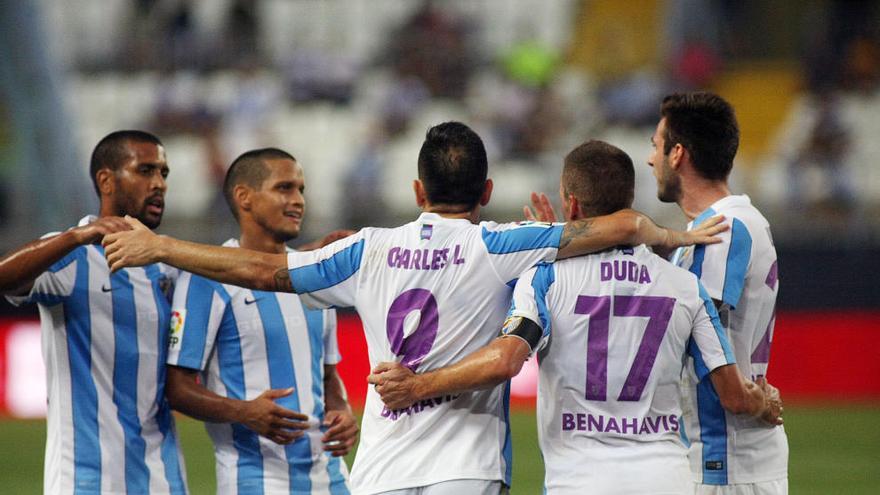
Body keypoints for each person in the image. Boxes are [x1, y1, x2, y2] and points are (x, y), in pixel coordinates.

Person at [101, 122, 726, 495]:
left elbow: (265, 270)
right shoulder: (501, 243)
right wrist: (667, 234)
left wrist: (161, 246)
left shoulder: (368, 250)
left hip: (380, 470)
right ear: (485, 191)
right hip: (467, 467)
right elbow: (615, 226)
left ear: (418, 191)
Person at [366, 140, 783, 494]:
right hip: (664, 478)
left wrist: (418, 385)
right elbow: (733, 395)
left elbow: (507, 355)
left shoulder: (543, 280)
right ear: (630, 201)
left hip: (578, 479)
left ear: (572, 203)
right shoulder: (684, 286)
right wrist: (762, 402)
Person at [0, 131, 188, 494]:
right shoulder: (73, 257)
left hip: (163, 478)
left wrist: (300, 257)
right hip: (86, 479)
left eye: (164, 173)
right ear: (106, 180)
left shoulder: (167, 268)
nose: (159, 184)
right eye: (146, 170)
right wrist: (77, 236)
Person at [165, 148, 356, 494]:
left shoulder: (315, 274)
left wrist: (341, 409)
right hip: (254, 479)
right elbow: (177, 388)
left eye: (301, 189)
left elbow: (328, 374)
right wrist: (243, 412)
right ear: (244, 197)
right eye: (284, 188)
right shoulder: (206, 279)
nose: (298, 200)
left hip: (331, 478)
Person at [648, 92, 789, 493]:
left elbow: (700, 332)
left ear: (678, 154)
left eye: (656, 146)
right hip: (721, 456)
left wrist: (749, 400)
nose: (651, 160)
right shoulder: (722, 224)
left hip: (726, 459)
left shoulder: (723, 229)